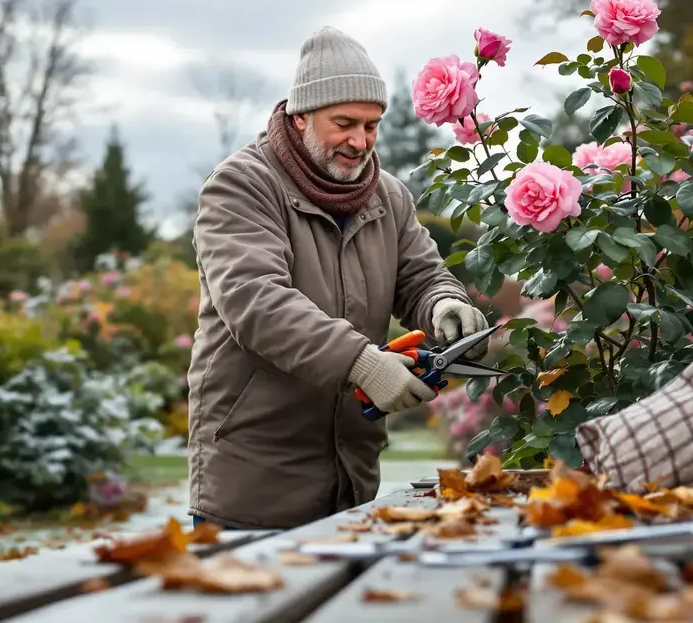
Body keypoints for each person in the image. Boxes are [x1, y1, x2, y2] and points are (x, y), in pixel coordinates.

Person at [186, 26, 489, 531]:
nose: (360, 141)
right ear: (301, 115)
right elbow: (256, 303)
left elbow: (420, 275)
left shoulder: (388, 196)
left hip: (353, 475)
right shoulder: (241, 185)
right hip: (254, 481)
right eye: (344, 123)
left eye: (372, 126)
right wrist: (363, 364)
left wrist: (442, 304)